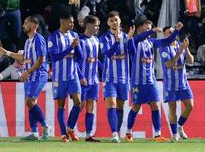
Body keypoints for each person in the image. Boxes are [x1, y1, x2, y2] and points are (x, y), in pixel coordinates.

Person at [125, 16, 183, 142]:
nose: (150, 28)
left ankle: (157, 135)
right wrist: (152, 31)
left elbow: (166, 42)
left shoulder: (151, 42)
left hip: (151, 80)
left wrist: (177, 31)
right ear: (140, 27)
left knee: (156, 105)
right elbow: (136, 41)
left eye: (150, 27)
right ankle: (128, 132)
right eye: (147, 26)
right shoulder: (134, 41)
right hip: (138, 82)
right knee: (136, 106)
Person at [0, 15, 50, 140]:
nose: (23, 25)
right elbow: (23, 57)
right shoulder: (27, 41)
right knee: (30, 103)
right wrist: (6, 52)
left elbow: (41, 59)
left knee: (29, 101)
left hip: (38, 75)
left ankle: (45, 126)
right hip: (30, 76)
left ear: (34, 26)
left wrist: (27, 72)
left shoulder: (39, 39)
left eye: (26, 23)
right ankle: (34, 133)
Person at [47, 13, 82, 142]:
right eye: (70, 22)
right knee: (61, 105)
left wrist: (77, 48)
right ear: (62, 21)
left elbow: (80, 57)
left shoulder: (74, 35)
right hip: (59, 77)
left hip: (73, 75)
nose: (72, 24)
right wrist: (71, 47)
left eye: (73, 22)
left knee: (78, 102)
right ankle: (63, 134)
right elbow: (55, 57)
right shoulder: (53, 37)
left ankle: (70, 128)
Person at [99, 11, 133, 142]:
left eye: (116, 20)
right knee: (112, 104)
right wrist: (117, 42)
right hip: (109, 78)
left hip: (124, 78)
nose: (114, 22)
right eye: (111, 20)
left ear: (120, 22)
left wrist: (129, 41)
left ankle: (117, 133)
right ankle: (114, 133)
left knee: (120, 105)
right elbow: (107, 54)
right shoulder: (104, 38)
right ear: (108, 23)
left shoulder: (126, 36)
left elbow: (133, 53)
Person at [159, 27, 194, 141]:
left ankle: (179, 126)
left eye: (172, 32)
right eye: (168, 33)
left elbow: (191, 61)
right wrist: (179, 52)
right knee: (172, 108)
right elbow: (169, 64)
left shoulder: (181, 44)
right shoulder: (164, 48)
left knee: (190, 106)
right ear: (165, 36)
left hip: (183, 82)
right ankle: (174, 134)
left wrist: (186, 49)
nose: (171, 34)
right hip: (170, 84)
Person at [78, 15, 102, 142]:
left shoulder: (96, 40)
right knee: (80, 105)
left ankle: (88, 135)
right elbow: (76, 61)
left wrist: (105, 71)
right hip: (83, 80)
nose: (98, 27)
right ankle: (69, 129)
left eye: (98, 25)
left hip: (94, 80)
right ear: (88, 25)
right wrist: (81, 76)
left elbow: (96, 60)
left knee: (91, 106)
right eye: (96, 25)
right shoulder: (80, 40)